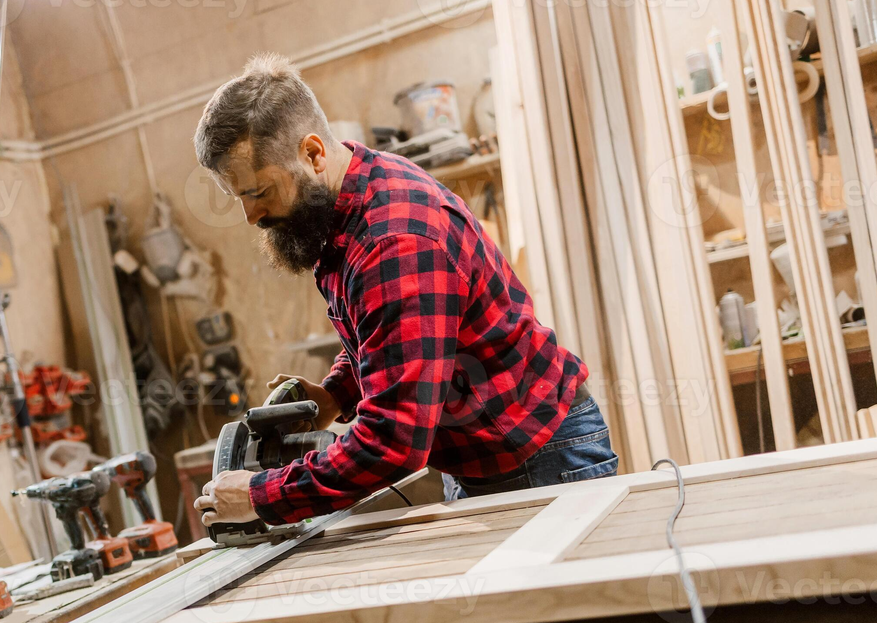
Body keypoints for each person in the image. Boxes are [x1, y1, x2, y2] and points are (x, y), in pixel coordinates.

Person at [193, 54, 616, 533]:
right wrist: (335, 394)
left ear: (313, 154)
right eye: (240, 197)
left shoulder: (394, 241)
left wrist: (260, 496)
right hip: (481, 460)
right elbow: (389, 337)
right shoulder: (349, 198)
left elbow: (392, 442)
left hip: (539, 461)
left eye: (259, 192)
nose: (251, 215)